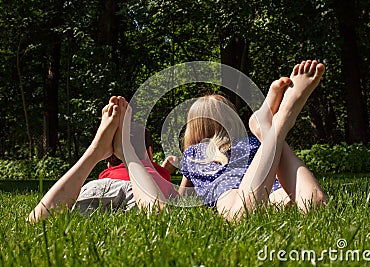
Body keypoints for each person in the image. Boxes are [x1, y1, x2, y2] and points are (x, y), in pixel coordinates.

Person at [115, 60, 327, 220]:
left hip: (230, 192)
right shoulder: (252, 145)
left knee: (241, 215)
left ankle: (279, 124)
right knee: (315, 204)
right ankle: (267, 128)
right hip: (270, 187)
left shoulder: (194, 154)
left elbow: (181, 198)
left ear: (193, 129)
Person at [28, 98, 177, 222]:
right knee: (160, 218)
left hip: (97, 187)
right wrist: (164, 169)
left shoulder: (107, 173)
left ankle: (96, 151)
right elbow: (177, 198)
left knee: (37, 221)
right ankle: (126, 152)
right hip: (139, 191)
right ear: (149, 154)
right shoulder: (156, 173)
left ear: (108, 162)